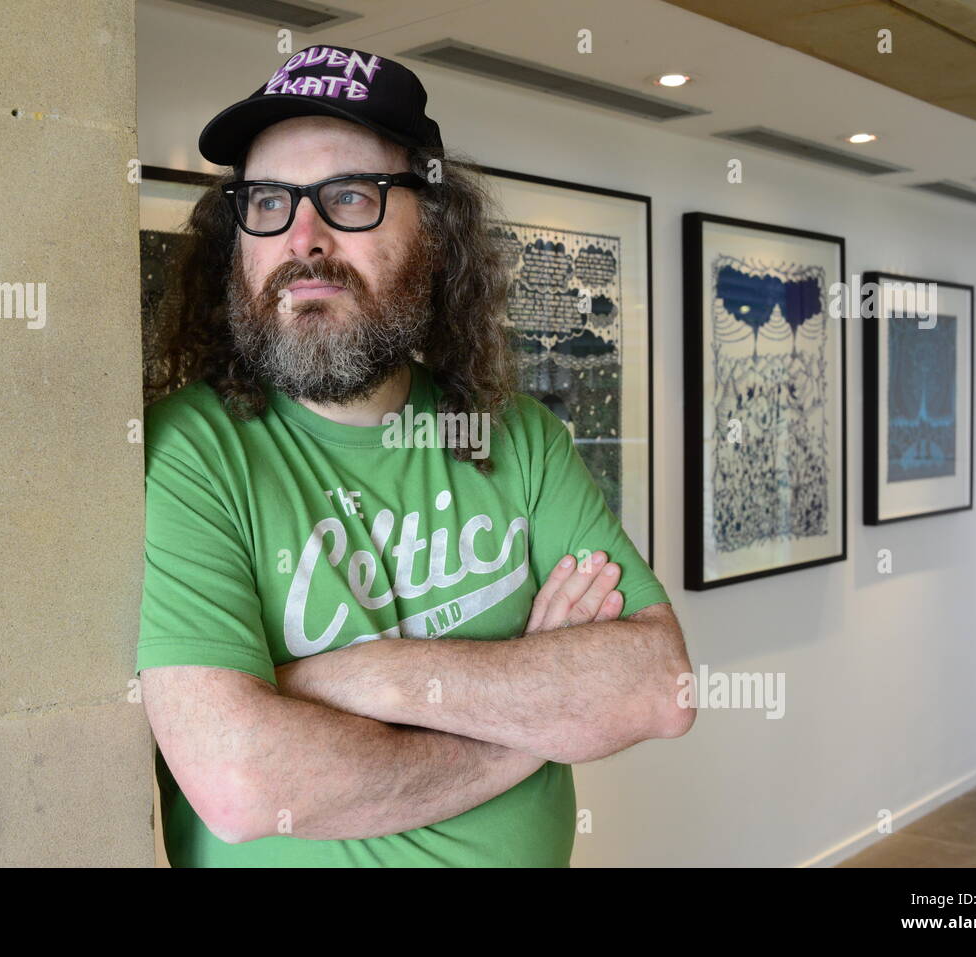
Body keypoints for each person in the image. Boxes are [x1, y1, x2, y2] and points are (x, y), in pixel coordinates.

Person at [136, 45, 693, 867]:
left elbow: (657, 686)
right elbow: (239, 779)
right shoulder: (187, 453)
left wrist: (370, 676)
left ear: (433, 232)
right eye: (268, 203)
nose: (304, 239)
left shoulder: (517, 436)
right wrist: (529, 728)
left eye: (350, 196)